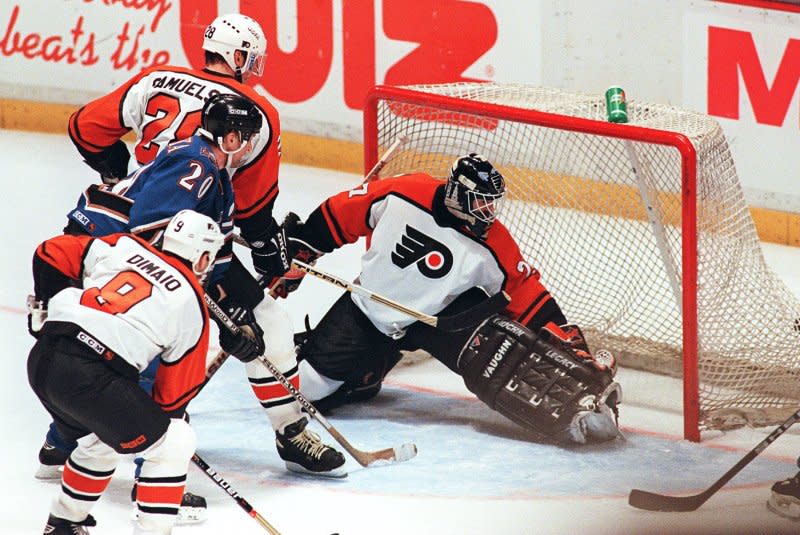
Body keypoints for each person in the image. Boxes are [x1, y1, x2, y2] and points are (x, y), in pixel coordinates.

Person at [58, 11, 346, 479]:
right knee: (254, 325)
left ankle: (63, 445)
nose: (254, 70)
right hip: (187, 249)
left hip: (117, 234)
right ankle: (284, 433)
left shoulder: (155, 78)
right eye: (251, 60)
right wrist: (272, 255)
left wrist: (119, 173)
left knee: (112, 331)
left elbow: (84, 129)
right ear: (237, 57)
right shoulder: (255, 113)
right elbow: (252, 214)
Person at [285, 153, 622, 444]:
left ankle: (571, 409)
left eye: (492, 203)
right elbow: (344, 211)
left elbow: (526, 292)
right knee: (305, 391)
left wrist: (569, 340)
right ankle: (364, 375)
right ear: (457, 195)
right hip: (369, 310)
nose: (489, 212)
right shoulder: (407, 192)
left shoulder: (494, 241)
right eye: (481, 202)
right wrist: (304, 246)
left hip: (438, 321)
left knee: (499, 350)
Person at [26, 210, 241, 535]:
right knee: (175, 440)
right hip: (90, 379)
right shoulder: (193, 303)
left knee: (105, 434)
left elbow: (49, 252)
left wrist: (43, 306)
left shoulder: (125, 245)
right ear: (203, 258)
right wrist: (158, 432)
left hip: (43, 359)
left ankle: (64, 522)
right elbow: (173, 401)